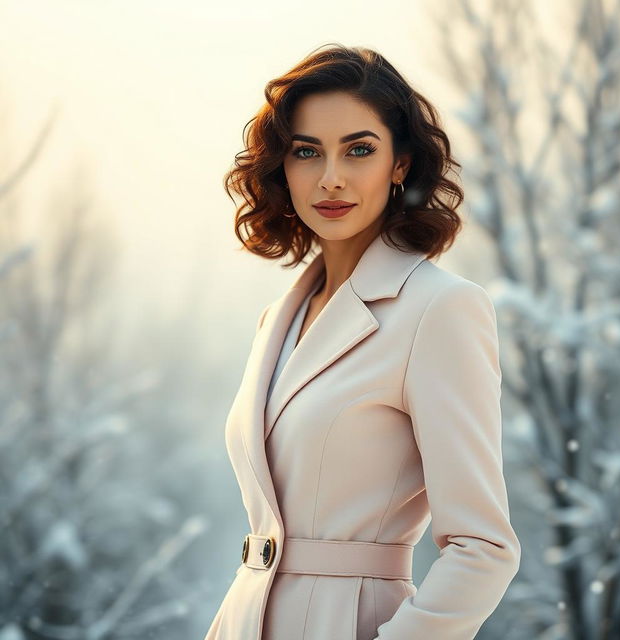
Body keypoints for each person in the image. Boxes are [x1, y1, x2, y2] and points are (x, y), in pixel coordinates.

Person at [204, 43, 521, 640]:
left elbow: (484, 548)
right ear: (283, 166)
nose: (331, 178)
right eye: (307, 152)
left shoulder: (440, 310)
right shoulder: (279, 317)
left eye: (359, 150)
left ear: (399, 163)